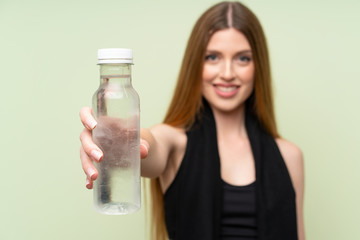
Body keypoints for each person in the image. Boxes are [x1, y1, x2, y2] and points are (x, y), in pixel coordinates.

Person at [79, 1, 305, 240]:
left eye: (243, 59)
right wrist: (115, 135)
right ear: (195, 63)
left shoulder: (290, 156)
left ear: (258, 65)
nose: (227, 73)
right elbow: (149, 144)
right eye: (213, 57)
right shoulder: (176, 142)